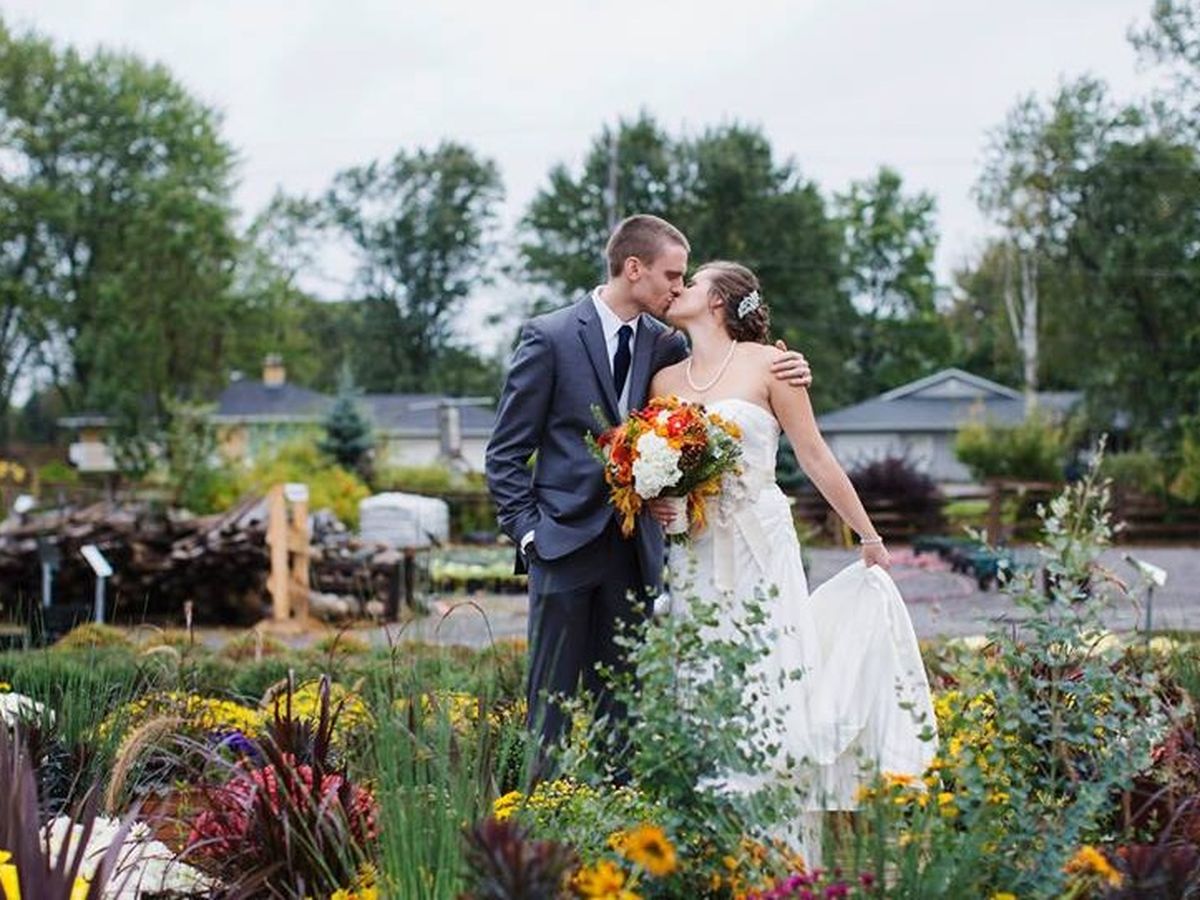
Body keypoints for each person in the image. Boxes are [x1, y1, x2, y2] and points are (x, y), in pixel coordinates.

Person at [485, 217, 814, 770]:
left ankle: (619, 816)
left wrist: (790, 364)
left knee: (625, 710)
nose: (678, 288)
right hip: (559, 546)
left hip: (635, 551)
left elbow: (712, 387)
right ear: (634, 268)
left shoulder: (665, 344)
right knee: (550, 706)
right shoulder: (550, 336)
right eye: (672, 275)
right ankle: (540, 816)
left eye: (685, 278)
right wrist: (529, 534)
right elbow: (505, 452)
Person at [650, 260, 937, 860]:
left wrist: (868, 534)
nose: (680, 288)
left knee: (765, 671)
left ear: (719, 301)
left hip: (759, 542)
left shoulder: (773, 366)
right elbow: (662, 473)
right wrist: (661, 501)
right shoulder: (664, 379)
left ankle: (777, 854)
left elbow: (814, 454)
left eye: (693, 282)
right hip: (696, 548)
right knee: (701, 671)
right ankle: (711, 850)